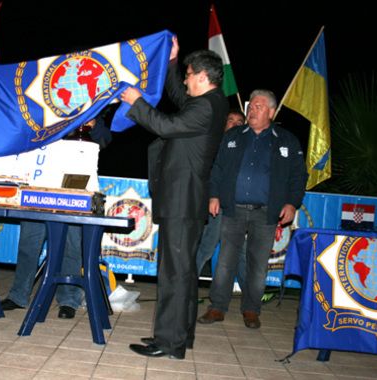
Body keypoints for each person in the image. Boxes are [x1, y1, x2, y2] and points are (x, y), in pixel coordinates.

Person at [120, 37, 228, 360]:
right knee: (181, 272)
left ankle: (169, 343)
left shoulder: (207, 106)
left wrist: (137, 102)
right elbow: (180, 97)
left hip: (183, 200)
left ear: (203, 78)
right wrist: (171, 62)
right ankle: (179, 335)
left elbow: (166, 126)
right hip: (184, 200)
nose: (185, 79)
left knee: (175, 274)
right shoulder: (210, 101)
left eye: (188, 73)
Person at [198, 89, 307, 329]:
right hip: (232, 209)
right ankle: (217, 307)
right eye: (251, 106)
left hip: (266, 212)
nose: (251, 110)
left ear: (271, 111)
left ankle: (251, 310)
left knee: (257, 264)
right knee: (226, 260)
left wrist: (291, 203)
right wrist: (214, 196)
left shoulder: (286, 140)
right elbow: (218, 169)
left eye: (258, 107)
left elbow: (299, 176)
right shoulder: (233, 136)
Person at [0, 115, 112, 319]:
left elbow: (104, 139)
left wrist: (94, 124)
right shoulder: (39, 107)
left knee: (72, 245)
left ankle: (69, 299)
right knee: (28, 242)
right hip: (38, 187)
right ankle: (18, 295)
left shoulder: (90, 107)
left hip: (73, 190)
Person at [196, 109, 247, 288]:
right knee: (207, 246)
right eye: (230, 120)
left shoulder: (246, 147)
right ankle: (186, 285)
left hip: (236, 206)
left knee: (240, 249)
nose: (233, 124)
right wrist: (212, 196)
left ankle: (250, 294)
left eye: (239, 122)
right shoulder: (212, 143)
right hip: (215, 203)